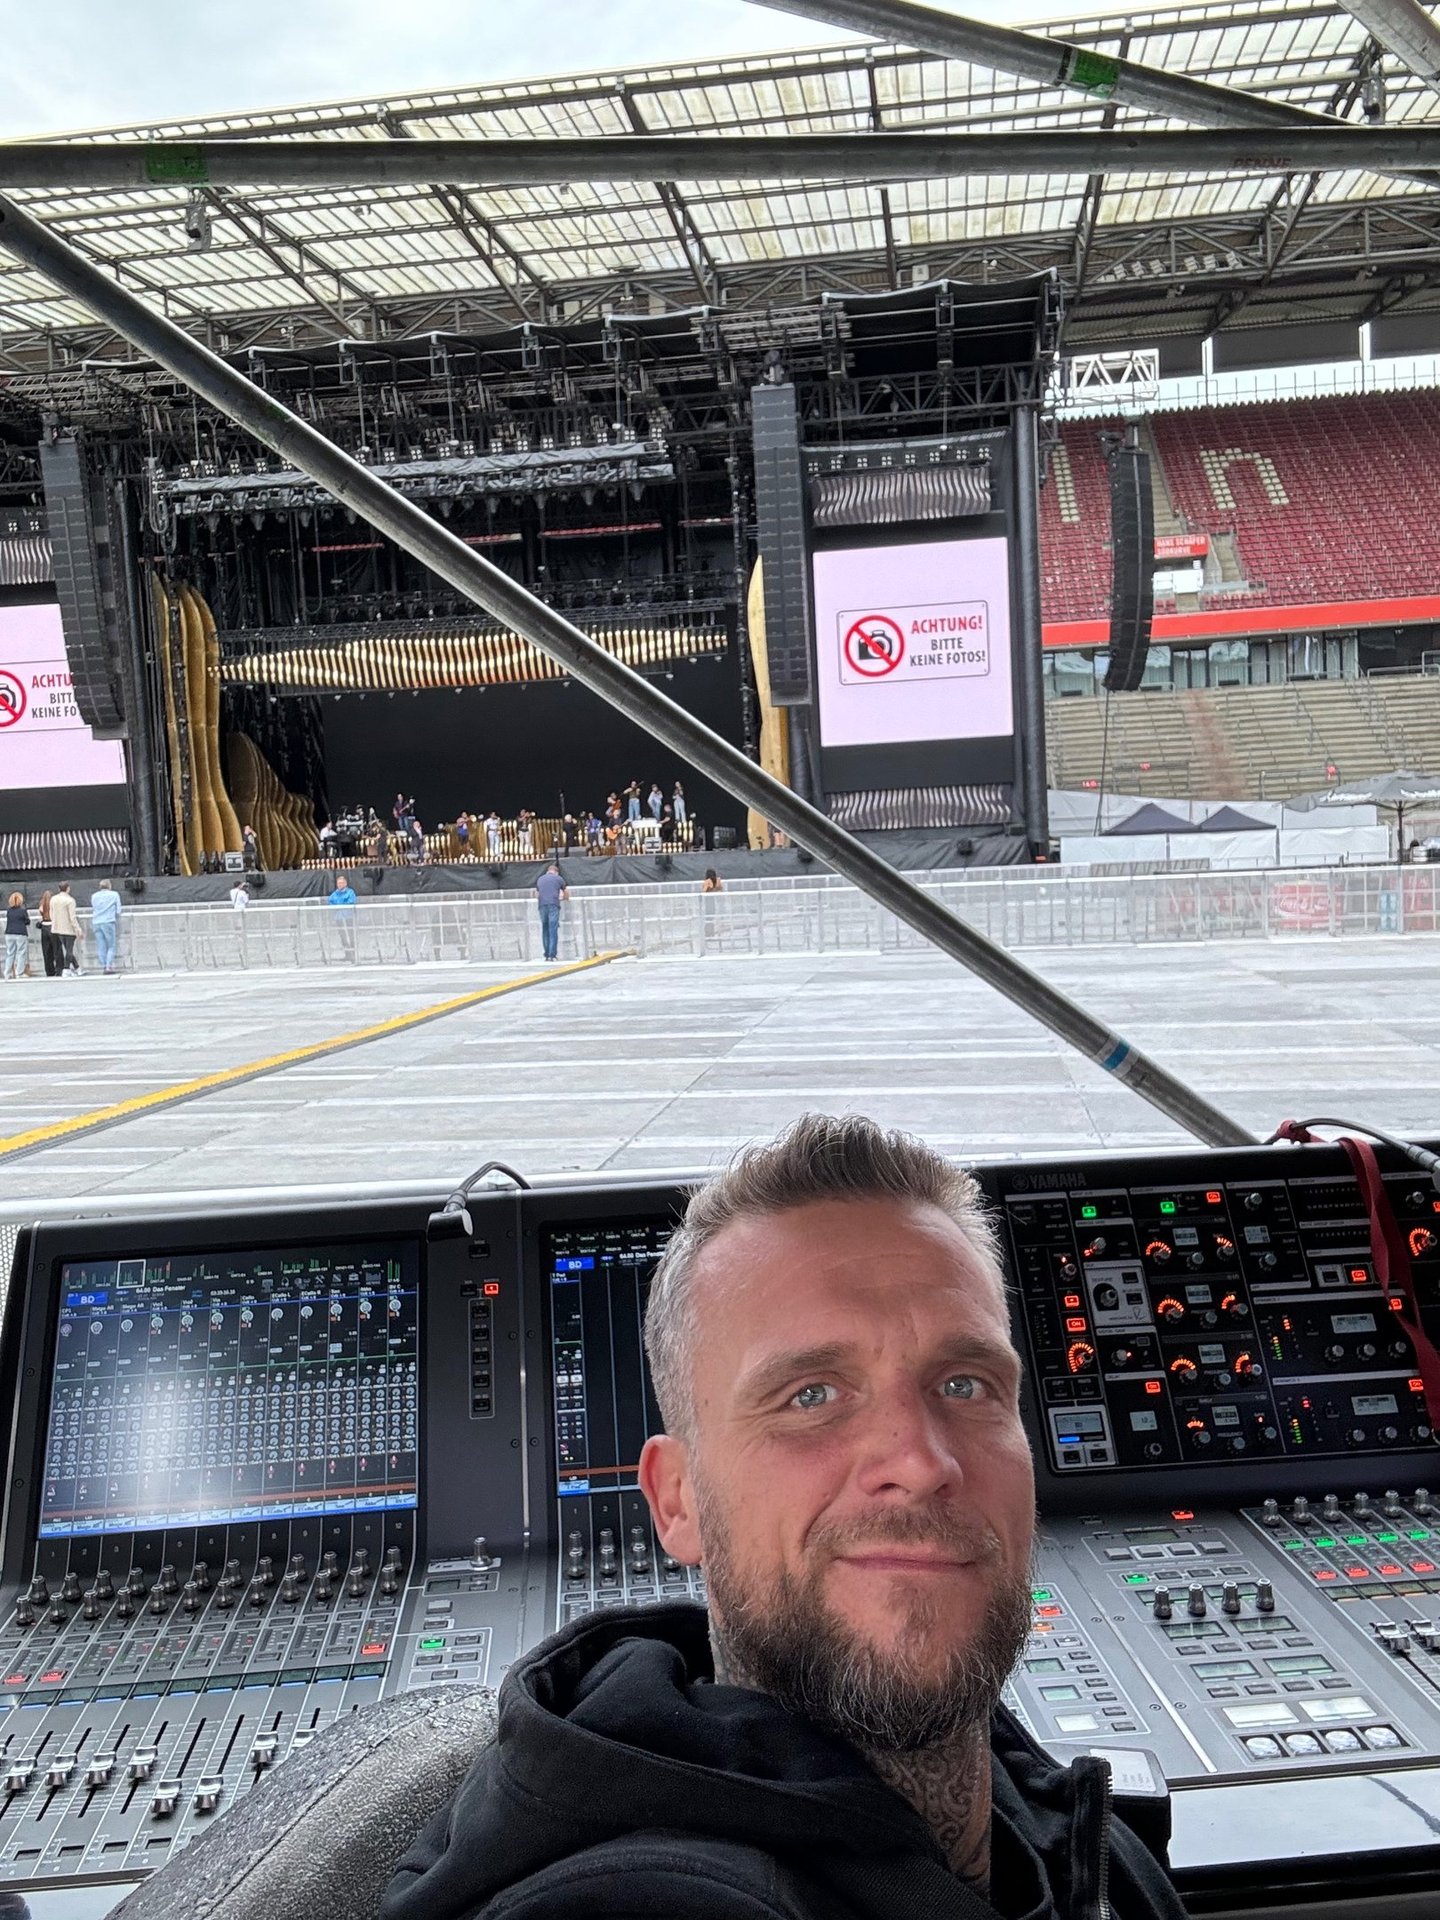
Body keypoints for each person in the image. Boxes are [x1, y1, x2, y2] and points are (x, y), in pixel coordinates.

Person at [383, 1115, 1188, 1920]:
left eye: (965, 1384)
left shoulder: (1075, 1838)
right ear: (678, 1500)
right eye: (811, 1396)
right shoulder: (634, 1902)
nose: (920, 1462)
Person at [534, 860, 568, 962]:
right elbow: (566, 892)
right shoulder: (558, 878)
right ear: (556, 872)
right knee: (553, 929)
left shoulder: (540, 879)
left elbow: (536, 894)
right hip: (553, 904)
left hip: (542, 905)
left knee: (545, 929)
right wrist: (565, 899)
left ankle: (546, 954)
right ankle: (552, 955)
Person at [89, 877, 121, 974]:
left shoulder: (94, 896)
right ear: (109, 886)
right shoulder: (114, 894)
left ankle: (103, 965)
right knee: (111, 945)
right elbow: (118, 910)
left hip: (96, 922)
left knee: (101, 945)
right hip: (108, 921)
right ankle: (108, 967)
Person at [50, 882, 81, 975]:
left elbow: (51, 913)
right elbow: (72, 917)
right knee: (69, 950)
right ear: (68, 888)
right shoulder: (70, 901)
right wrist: (78, 929)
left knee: (68, 950)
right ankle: (66, 969)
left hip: (58, 928)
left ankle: (77, 968)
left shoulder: (53, 899)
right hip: (69, 929)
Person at [3, 892, 27, 980]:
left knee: (10, 953)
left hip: (9, 933)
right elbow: (27, 921)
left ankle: (7, 972)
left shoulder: (9, 910)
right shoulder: (22, 910)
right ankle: (19, 973)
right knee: (21, 953)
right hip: (20, 933)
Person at [37, 889, 57, 977]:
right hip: (53, 926)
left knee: (46, 951)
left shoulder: (42, 905)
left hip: (44, 927)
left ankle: (49, 970)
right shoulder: (53, 904)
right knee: (56, 949)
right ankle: (59, 968)